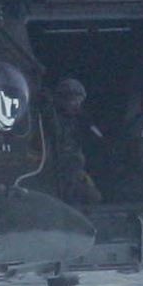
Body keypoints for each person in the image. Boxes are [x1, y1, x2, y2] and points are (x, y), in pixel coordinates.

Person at [39, 74, 101, 206]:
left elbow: (97, 138)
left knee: (93, 197)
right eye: (73, 100)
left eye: (79, 100)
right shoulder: (52, 119)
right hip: (57, 173)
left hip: (76, 171)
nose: (77, 104)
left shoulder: (80, 120)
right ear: (62, 100)